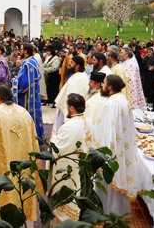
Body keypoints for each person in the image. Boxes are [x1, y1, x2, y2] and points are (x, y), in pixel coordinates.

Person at [0, 84, 43, 225]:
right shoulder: (25, 113)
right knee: (22, 195)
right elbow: (35, 144)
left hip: (2, 171)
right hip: (22, 171)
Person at [93, 74, 139, 215]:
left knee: (110, 182)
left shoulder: (112, 103)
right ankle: (119, 212)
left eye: (105, 83)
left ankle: (108, 213)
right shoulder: (122, 99)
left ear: (110, 87)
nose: (102, 85)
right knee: (119, 181)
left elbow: (109, 129)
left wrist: (105, 151)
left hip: (112, 148)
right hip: (121, 146)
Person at [50, 93, 93, 222]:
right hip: (82, 165)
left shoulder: (69, 127)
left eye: (67, 106)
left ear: (72, 108)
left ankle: (64, 221)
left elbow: (57, 150)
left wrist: (53, 138)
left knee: (66, 198)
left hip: (69, 169)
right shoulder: (88, 121)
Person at [12, 43, 44, 140]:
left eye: (21, 49)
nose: (20, 51)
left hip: (26, 97)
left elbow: (24, 83)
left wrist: (14, 81)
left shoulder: (27, 64)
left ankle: (27, 139)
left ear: (25, 51)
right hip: (34, 94)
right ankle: (36, 137)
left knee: (26, 116)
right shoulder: (33, 61)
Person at [53, 56, 89, 135]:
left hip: (72, 110)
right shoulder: (78, 76)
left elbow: (72, 96)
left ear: (77, 66)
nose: (69, 64)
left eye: (72, 62)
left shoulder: (79, 78)